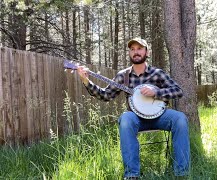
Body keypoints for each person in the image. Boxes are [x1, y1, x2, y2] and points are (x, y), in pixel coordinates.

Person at [77, 38, 190, 179]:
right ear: (129, 53)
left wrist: (157, 92)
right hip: (136, 119)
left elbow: (178, 91)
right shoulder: (123, 76)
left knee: (180, 119)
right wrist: (86, 81)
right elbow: (105, 95)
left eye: (139, 48)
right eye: (132, 49)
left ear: (146, 52)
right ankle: (132, 174)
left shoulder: (157, 73)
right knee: (125, 118)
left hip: (161, 117)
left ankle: (182, 173)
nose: (135, 52)